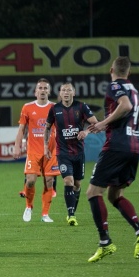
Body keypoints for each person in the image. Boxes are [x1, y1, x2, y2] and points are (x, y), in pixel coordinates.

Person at [85, 56, 139, 263]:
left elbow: (125, 106)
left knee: (93, 192)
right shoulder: (134, 89)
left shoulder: (115, 86)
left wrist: (104, 123)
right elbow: (137, 116)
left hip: (116, 146)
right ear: (129, 72)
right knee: (114, 195)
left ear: (111, 69)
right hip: (134, 146)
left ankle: (105, 243)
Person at [44, 82, 98, 226]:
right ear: (60, 94)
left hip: (78, 152)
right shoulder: (54, 109)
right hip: (62, 153)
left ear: (73, 93)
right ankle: (71, 214)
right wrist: (45, 146)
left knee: (78, 184)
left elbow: (95, 123)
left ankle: (72, 210)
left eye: (69, 90)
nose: (66, 92)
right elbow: (47, 127)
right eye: (63, 90)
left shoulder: (81, 107)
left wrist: (85, 131)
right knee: (68, 181)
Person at [13, 78, 60, 222]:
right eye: (40, 88)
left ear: (49, 91)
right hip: (33, 151)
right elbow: (22, 128)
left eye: (46, 88)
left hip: (50, 151)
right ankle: (29, 206)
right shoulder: (27, 107)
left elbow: (60, 128)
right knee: (30, 181)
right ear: (35, 92)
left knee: (50, 182)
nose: (43, 90)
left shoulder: (55, 108)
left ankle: (45, 214)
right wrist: (17, 145)